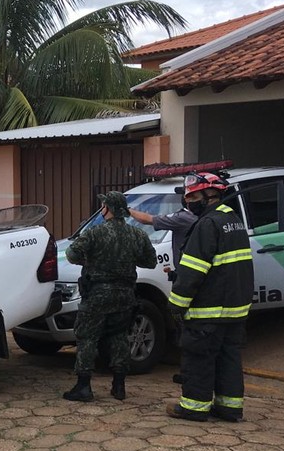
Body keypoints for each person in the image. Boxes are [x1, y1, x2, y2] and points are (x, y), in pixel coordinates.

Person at [166, 172, 254, 423]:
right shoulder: (234, 220)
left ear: (209, 195)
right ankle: (229, 408)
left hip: (208, 310)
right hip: (234, 311)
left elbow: (193, 271)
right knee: (229, 360)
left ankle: (194, 407)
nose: (188, 201)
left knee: (199, 358)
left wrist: (176, 304)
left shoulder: (207, 225)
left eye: (192, 196)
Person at [63, 191, 157, 402]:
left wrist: (89, 261)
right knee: (119, 336)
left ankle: (84, 386)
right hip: (125, 294)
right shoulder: (138, 235)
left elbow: (71, 255)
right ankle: (119, 385)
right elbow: (150, 262)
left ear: (107, 208)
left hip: (97, 294)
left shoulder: (95, 233)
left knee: (87, 337)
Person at [128, 202, 197, 281]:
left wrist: (128, 210)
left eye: (192, 197)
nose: (187, 199)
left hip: (187, 274)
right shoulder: (202, 215)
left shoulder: (184, 218)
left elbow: (148, 220)